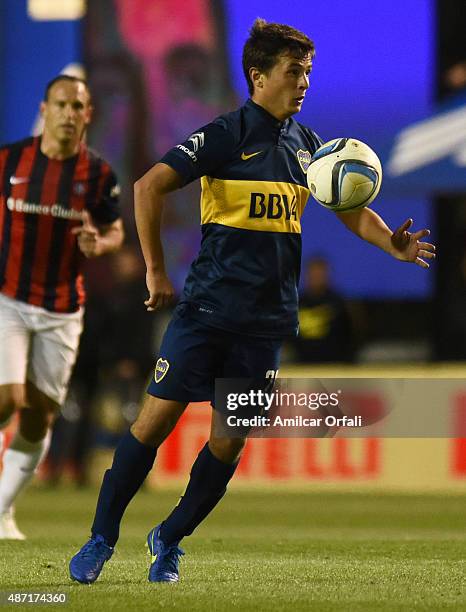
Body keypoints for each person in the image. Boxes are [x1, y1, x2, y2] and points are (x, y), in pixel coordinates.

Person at [69, 18, 435, 584]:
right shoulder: (225, 135)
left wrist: (393, 244)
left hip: (263, 327)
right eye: (294, 71)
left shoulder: (310, 147)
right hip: (205, 314)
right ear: (258, 77)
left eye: (308, 71)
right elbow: (148, 187)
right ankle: (100, 539)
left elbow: (351, 209)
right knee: (153, 422)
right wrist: (156, 270)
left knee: (228, 441)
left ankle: (168, 538)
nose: (304, 81)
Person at [0, 75, 124, 539]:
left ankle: (3, 511)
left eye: (78, 106)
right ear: (45, 108)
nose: (69, 113)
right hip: (8, 298)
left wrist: (101, 242)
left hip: (62, 308)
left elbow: (116, 231)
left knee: (39, 415)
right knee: (8, 398)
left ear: (88, 114)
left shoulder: (98, 175)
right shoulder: (10, 161)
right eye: (61, 104)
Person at [294, 257, 354, 363]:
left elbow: (351, 334)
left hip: (334, 365)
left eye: (320, 273)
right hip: (302, 365)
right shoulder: (296, 303)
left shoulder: (338, 303)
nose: (316, 277)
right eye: (313, 273)